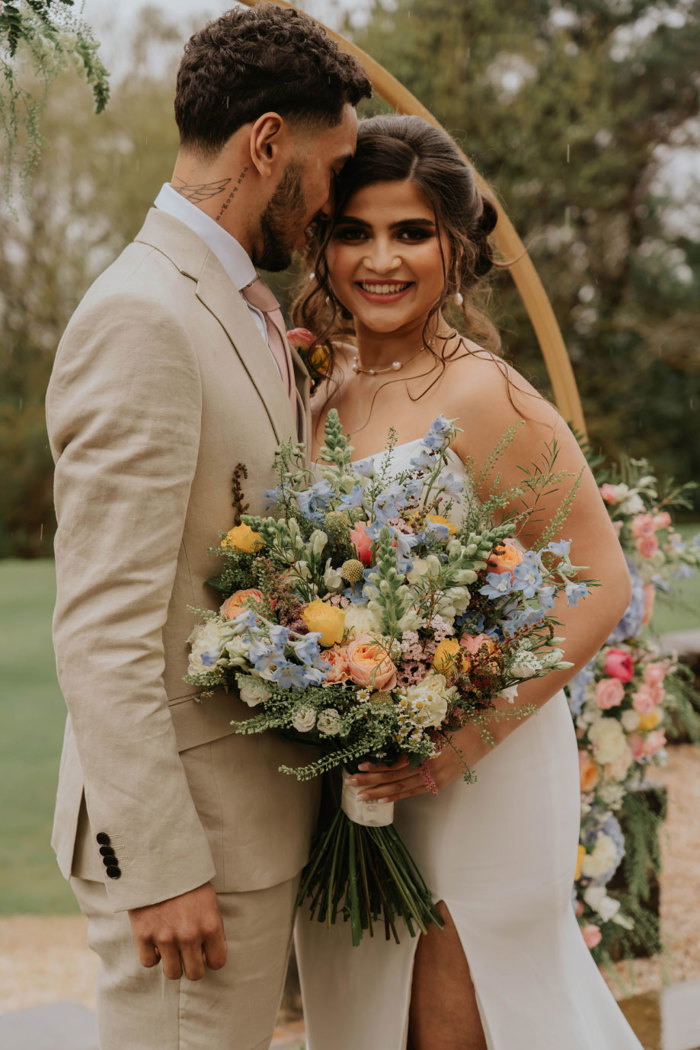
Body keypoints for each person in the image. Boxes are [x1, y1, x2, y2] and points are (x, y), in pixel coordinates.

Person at [45, 7, 370, 1050]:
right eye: (331, 168)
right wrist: (161, 863)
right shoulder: (142, 315)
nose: (333, 201)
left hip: (248, 827)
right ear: (267, 144)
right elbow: (103, 626)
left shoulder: (241, 306)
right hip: (190, 854)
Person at [292, 114, 644, 1050]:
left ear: (457, 245)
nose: (382, 260)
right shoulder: (322, 387)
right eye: (355, 232)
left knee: (463, 1014)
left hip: (480, 768)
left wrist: (459, 740)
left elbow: (600, 581)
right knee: (364, 1011)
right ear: (323, 244)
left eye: (411, 233)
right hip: (362, 768)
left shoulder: (486, 395)